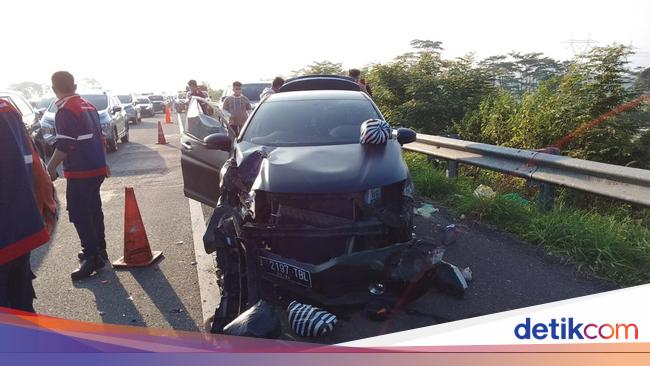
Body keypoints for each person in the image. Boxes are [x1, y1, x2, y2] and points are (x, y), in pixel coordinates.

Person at [45, 71, 109, 280]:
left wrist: (50, 167)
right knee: (93, 209)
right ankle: (99, 249)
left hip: (81, 170)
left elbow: (64, 144)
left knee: (80, 213)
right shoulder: (88, 105)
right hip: (96, 167)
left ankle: (92, 256)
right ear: (74, 85)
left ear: (55, 89)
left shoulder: (65, 110)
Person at [0, 98, 53, 311]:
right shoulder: (7, 108)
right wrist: (45, 204)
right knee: (20, 302)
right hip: (20, 227)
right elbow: (34, 164)